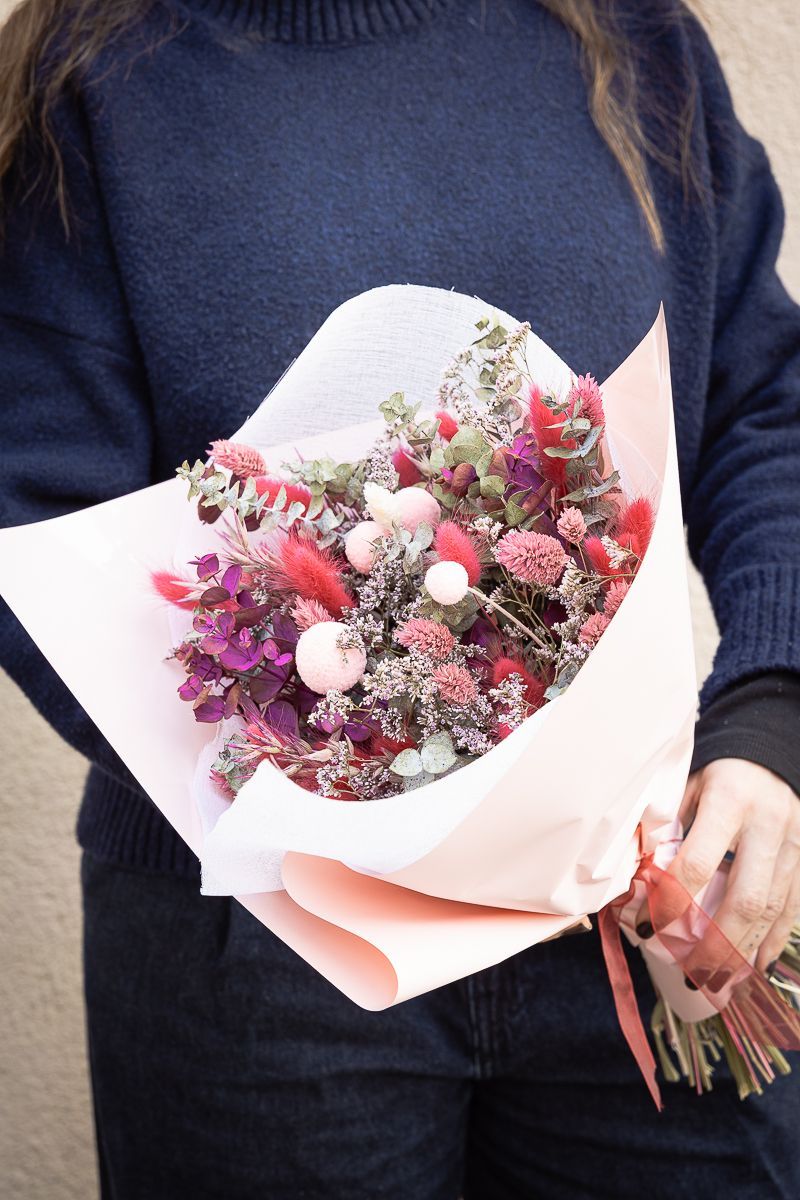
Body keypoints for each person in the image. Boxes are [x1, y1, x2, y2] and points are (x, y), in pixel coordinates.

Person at [1, 1, 799, 1196]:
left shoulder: (629, 41)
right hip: (263, 961)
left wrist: (769, 716)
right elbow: (36, 509)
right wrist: (348, 783)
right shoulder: (95, 80)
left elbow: (761, 409)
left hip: (634, 900)